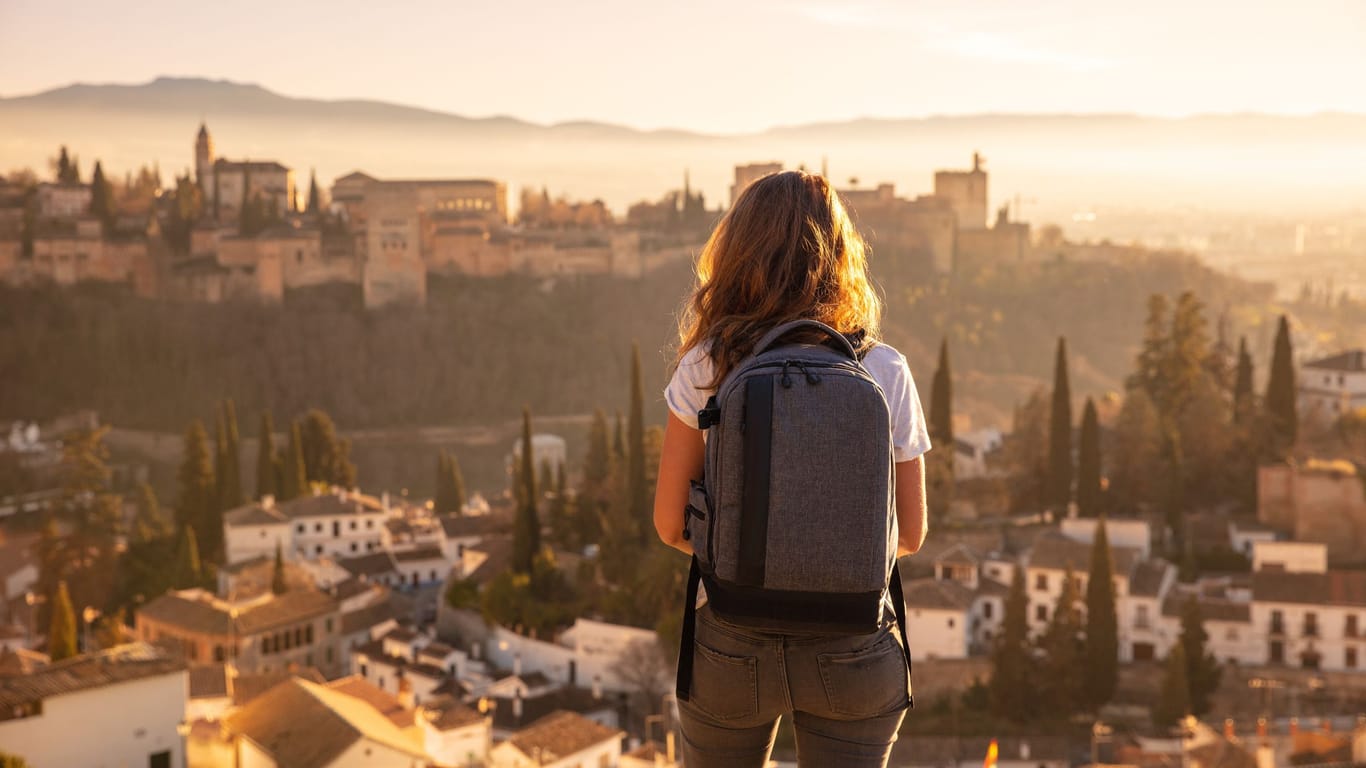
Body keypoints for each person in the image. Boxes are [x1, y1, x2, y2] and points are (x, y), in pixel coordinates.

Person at [653, 170, 931, 768]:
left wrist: (752, 562)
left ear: (736, 252)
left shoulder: (707, 364)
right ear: (840, 256)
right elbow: (908, 536)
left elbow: (671, 524)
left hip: (731, 638)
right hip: (855, 648)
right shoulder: (884, 369)